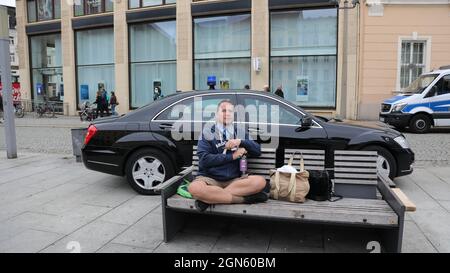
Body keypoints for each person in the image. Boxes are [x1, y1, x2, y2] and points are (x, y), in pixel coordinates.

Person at [188, 100, 269, 212]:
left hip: (235, 181)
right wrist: (232, 157)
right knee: (194, 188)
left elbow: (257, 151)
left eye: (230, 111)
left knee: (260, 182)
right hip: (210, 179)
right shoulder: (207, 133)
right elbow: (204, 160)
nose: (227, 113)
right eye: (224, 110)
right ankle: (243, 199)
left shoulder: (239, 132)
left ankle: (210, 198)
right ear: (217, 114)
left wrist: (241, 141)